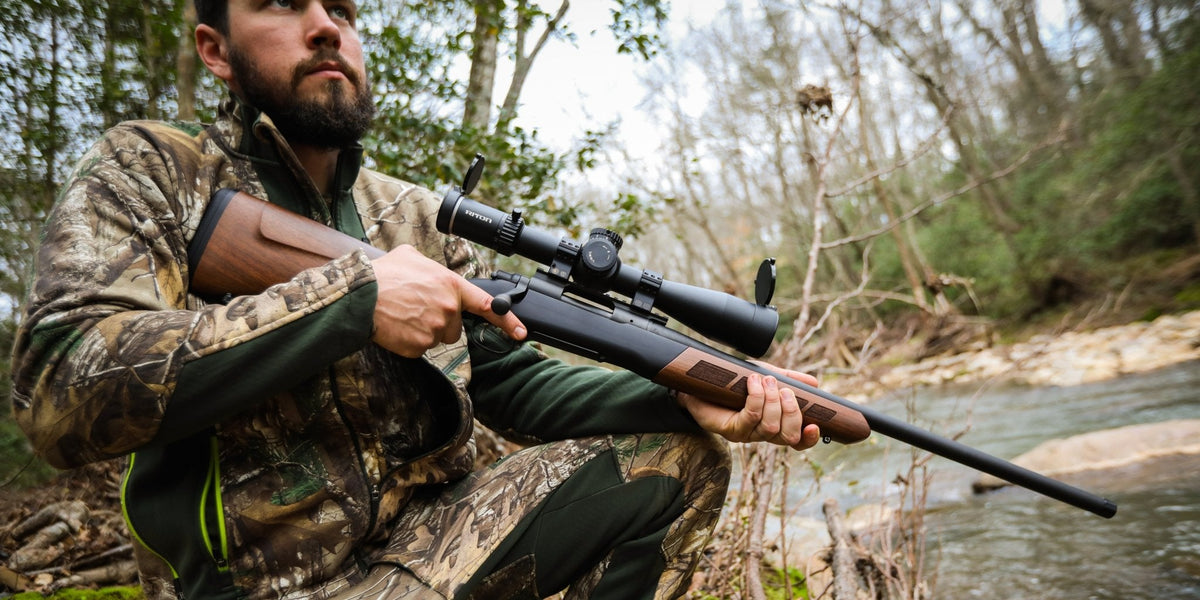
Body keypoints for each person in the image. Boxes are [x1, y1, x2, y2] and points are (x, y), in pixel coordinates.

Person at [9, 1, 822, 598]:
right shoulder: (152, 173)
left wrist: (682, 395)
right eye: (284, 6)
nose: (327, 27)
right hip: (265, 588)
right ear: (214, 50)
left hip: (429, 557)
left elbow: (511, 379)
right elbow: (57, 387)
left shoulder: (410, 214)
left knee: (679, 460)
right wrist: (352, 299)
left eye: (343, 10)